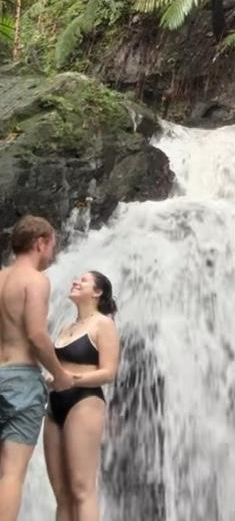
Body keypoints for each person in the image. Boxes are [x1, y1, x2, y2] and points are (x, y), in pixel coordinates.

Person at [0, 215, 74, 521]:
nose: (52, 254)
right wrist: (59, 373)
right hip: (20, 380)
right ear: (40, 242)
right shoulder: (35, 280)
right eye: (52, 246)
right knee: (11, 473)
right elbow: (36, 335)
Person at [44, 271, 119, 521]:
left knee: (81, 488)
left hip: (84, 401)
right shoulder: (67, 326)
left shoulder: (103, 324)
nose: (76, 281)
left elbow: (109, 372)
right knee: (61, 494)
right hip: (55, 404)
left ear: (97, 292)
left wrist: (71, 379)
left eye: (84, 280)